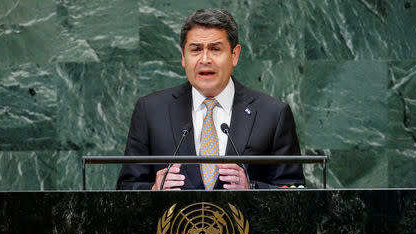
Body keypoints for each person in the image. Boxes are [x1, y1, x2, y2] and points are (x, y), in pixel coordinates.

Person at [117, 8, 305, 190]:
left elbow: (295, 190)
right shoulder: (151, 111)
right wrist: (153, 189)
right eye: (196, 50)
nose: (205, 59)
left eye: (215, 49)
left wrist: (252, 187)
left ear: (234, 55)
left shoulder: (272, 114)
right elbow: (125, 188)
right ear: (183, 56)